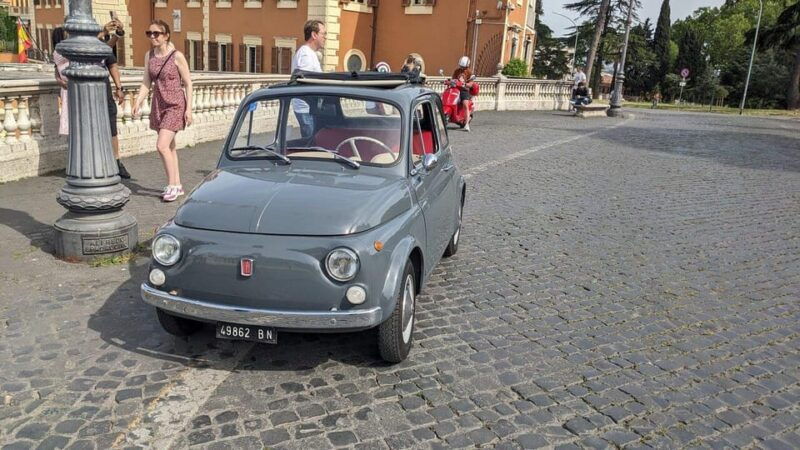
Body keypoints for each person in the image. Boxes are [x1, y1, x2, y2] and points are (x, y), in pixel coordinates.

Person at [53, 25, 130, 178]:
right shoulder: (65, 49)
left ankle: (116, 162)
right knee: (83, 127)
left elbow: (110, 59)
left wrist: (119, 88)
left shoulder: (98, 46)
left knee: (110, 125)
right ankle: (87, 164)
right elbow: (61, 66)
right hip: (80, 91)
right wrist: (107, 32)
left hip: (103, 89)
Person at [132, 20, 193, 202]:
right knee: (170, 147)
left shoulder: (176, 56)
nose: (152, 37)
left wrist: (189, 109)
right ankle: (177, 184)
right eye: (149, 33)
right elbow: (146, 82)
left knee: (162, 146)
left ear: (166, 35)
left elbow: (188, 83)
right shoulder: (149, 56)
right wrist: (138, 100)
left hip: (175, 105)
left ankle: (172, 186)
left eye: (156, 33)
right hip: (159, 105)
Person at [291, 19, 325, 138]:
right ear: (314, 35)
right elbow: (304, 82)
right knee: (312, 145)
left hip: (309, 109)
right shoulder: (305, 55)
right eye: (323, 34)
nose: (324, 38)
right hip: (306, 110)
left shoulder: (309, 53)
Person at [451, 56, 474, 132]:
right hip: (455, 89)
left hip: (464, 90)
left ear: (467, 66)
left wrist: (466, 84)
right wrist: (450, 81)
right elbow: (453, 79)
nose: (462, 68)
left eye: (464, 67)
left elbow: (471, 83)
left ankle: (467, 124)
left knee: (465, 105)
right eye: (461, 66)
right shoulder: (456, 71)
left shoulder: (469, 72)